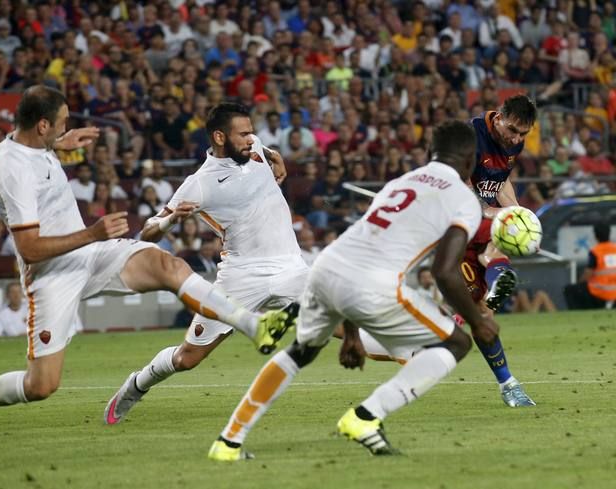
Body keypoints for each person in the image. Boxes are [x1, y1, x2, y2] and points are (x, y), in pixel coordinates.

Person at [0, 86, 290, 450]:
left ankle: (254, 326)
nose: (66, 126)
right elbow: (29, 247)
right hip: (52, 273)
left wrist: (60, 143)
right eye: (61, 123)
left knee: (166, 264)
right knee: (40, 386)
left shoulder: (28, 143)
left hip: (90, 253)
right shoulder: (14, 172)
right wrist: (92, 232)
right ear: (42, 125)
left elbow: (33, 146)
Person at [207, 120, 499, 461]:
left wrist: (350, 336)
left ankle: (228, 441)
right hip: (373, 282)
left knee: (301, 351)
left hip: (326, 268)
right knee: (458, 342)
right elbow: (445, 272)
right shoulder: (462, 197)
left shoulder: (400, 183)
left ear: (428, 153)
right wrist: (479, 321)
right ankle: (365, 418)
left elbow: (364, 246)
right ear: (470, 160)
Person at [104, 102, 308, 426]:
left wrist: (274, 155)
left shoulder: (252, 146)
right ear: (219, 137)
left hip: (291, 267)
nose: (250, 138)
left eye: (250, 132)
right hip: (240, 277)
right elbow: (146, 232)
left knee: (338, 318)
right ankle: (137, 384)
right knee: (188, 358)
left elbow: (260, 146)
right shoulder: (199, 183)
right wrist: (172, 218)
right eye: (242, 133)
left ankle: (410, 356)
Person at [457, 94, 538, 407]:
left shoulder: (512, 142)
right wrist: (500, 216)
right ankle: (496, 279)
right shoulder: (470, 136)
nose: (516, 138)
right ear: (500, 116)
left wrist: (519, 214)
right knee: (479, 314)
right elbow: (460, 189)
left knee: (483, 314)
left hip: (480, 222)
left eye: (523, 134)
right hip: (450, 222)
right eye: (513, 130)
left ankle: (509, 385)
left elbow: (501, 183)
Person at [564, 223, 616, 309]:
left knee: (570, 290)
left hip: (601, 292)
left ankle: (580, 313)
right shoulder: (614, 249)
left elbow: (588, 274)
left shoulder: (596, 251)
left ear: (595, 235)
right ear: (609, 233)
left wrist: (579, 283)